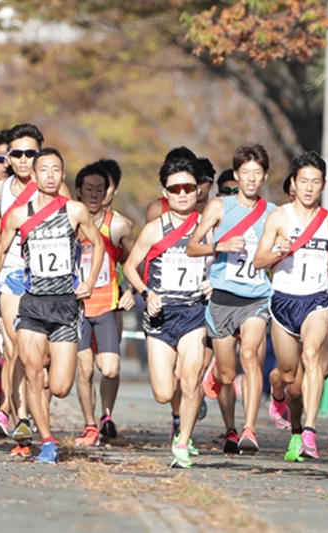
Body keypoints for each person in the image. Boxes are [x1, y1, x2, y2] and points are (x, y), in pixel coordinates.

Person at [0, 147, 104, 464]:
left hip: (65, 304)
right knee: (34, 374)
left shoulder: (75, 211)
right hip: (32, 304)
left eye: (56, 170)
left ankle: (46, 417)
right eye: (44, 170)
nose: (50, 176)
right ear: (34, 176)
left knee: (62, 386)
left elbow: (99, 244)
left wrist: (90, 281)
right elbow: (0, 247)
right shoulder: (18, 215)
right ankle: (47, 440)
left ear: (62, 176)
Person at [254, 151, 328, 460]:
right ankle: (276, 387)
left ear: (323, 185)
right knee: (291, 377)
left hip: (317, 300)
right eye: (303, 181)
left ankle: (309, 429)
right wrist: (279, 252)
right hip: (284, 302)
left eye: (315, 182)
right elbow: (258, 261)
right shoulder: (279, 217)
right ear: (293, 183)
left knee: (313, 355)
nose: (309, 187)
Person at [187, 144, 276, 454]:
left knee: (250, 355)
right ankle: (217, 384)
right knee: (226, 372)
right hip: (223, 297)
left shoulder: (273, 212)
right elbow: (192, 246)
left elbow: (279, 251)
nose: (251, 179)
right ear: (237, 175)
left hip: (256, 298)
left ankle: (249, 429)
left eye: (257, 173)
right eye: (246, 173)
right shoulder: (219, 207)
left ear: (265, 175)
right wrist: (220, 245)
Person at [123, 158, 210, 468]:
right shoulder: (153, 229)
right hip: (161, 316)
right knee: (163, 391)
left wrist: (212, 283)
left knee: (190, 381)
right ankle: (178, 416)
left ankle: (183, 443)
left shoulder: (206, 227)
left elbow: (220, 265)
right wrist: (146, 293)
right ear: (166, 193)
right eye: (176, 189)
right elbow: (130, 266)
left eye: (189, 187)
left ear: (197, 190)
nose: (183, 194)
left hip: (193, 313)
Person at [0, 124, 55, 452]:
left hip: (46, 279)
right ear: (8, 158)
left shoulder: (58, 188)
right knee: (16, 347)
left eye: (32, 153)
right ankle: (21, 420)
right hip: (13, 273)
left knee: (41, 358)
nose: (25, 159)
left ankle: (40, 420)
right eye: (18, 153)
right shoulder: (0, 190)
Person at [73, 163, 135, 446]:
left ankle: (106, 415)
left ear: (108, 191)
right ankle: (89, 424)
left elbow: (134, 262)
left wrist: (131, 289)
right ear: (79, 192)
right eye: (89, 189)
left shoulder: (117, 225)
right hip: (76, 310)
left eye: (100, 189)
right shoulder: (68, 222)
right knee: (84, 368)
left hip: (107, 306)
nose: (94, 195)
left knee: (109, 368)